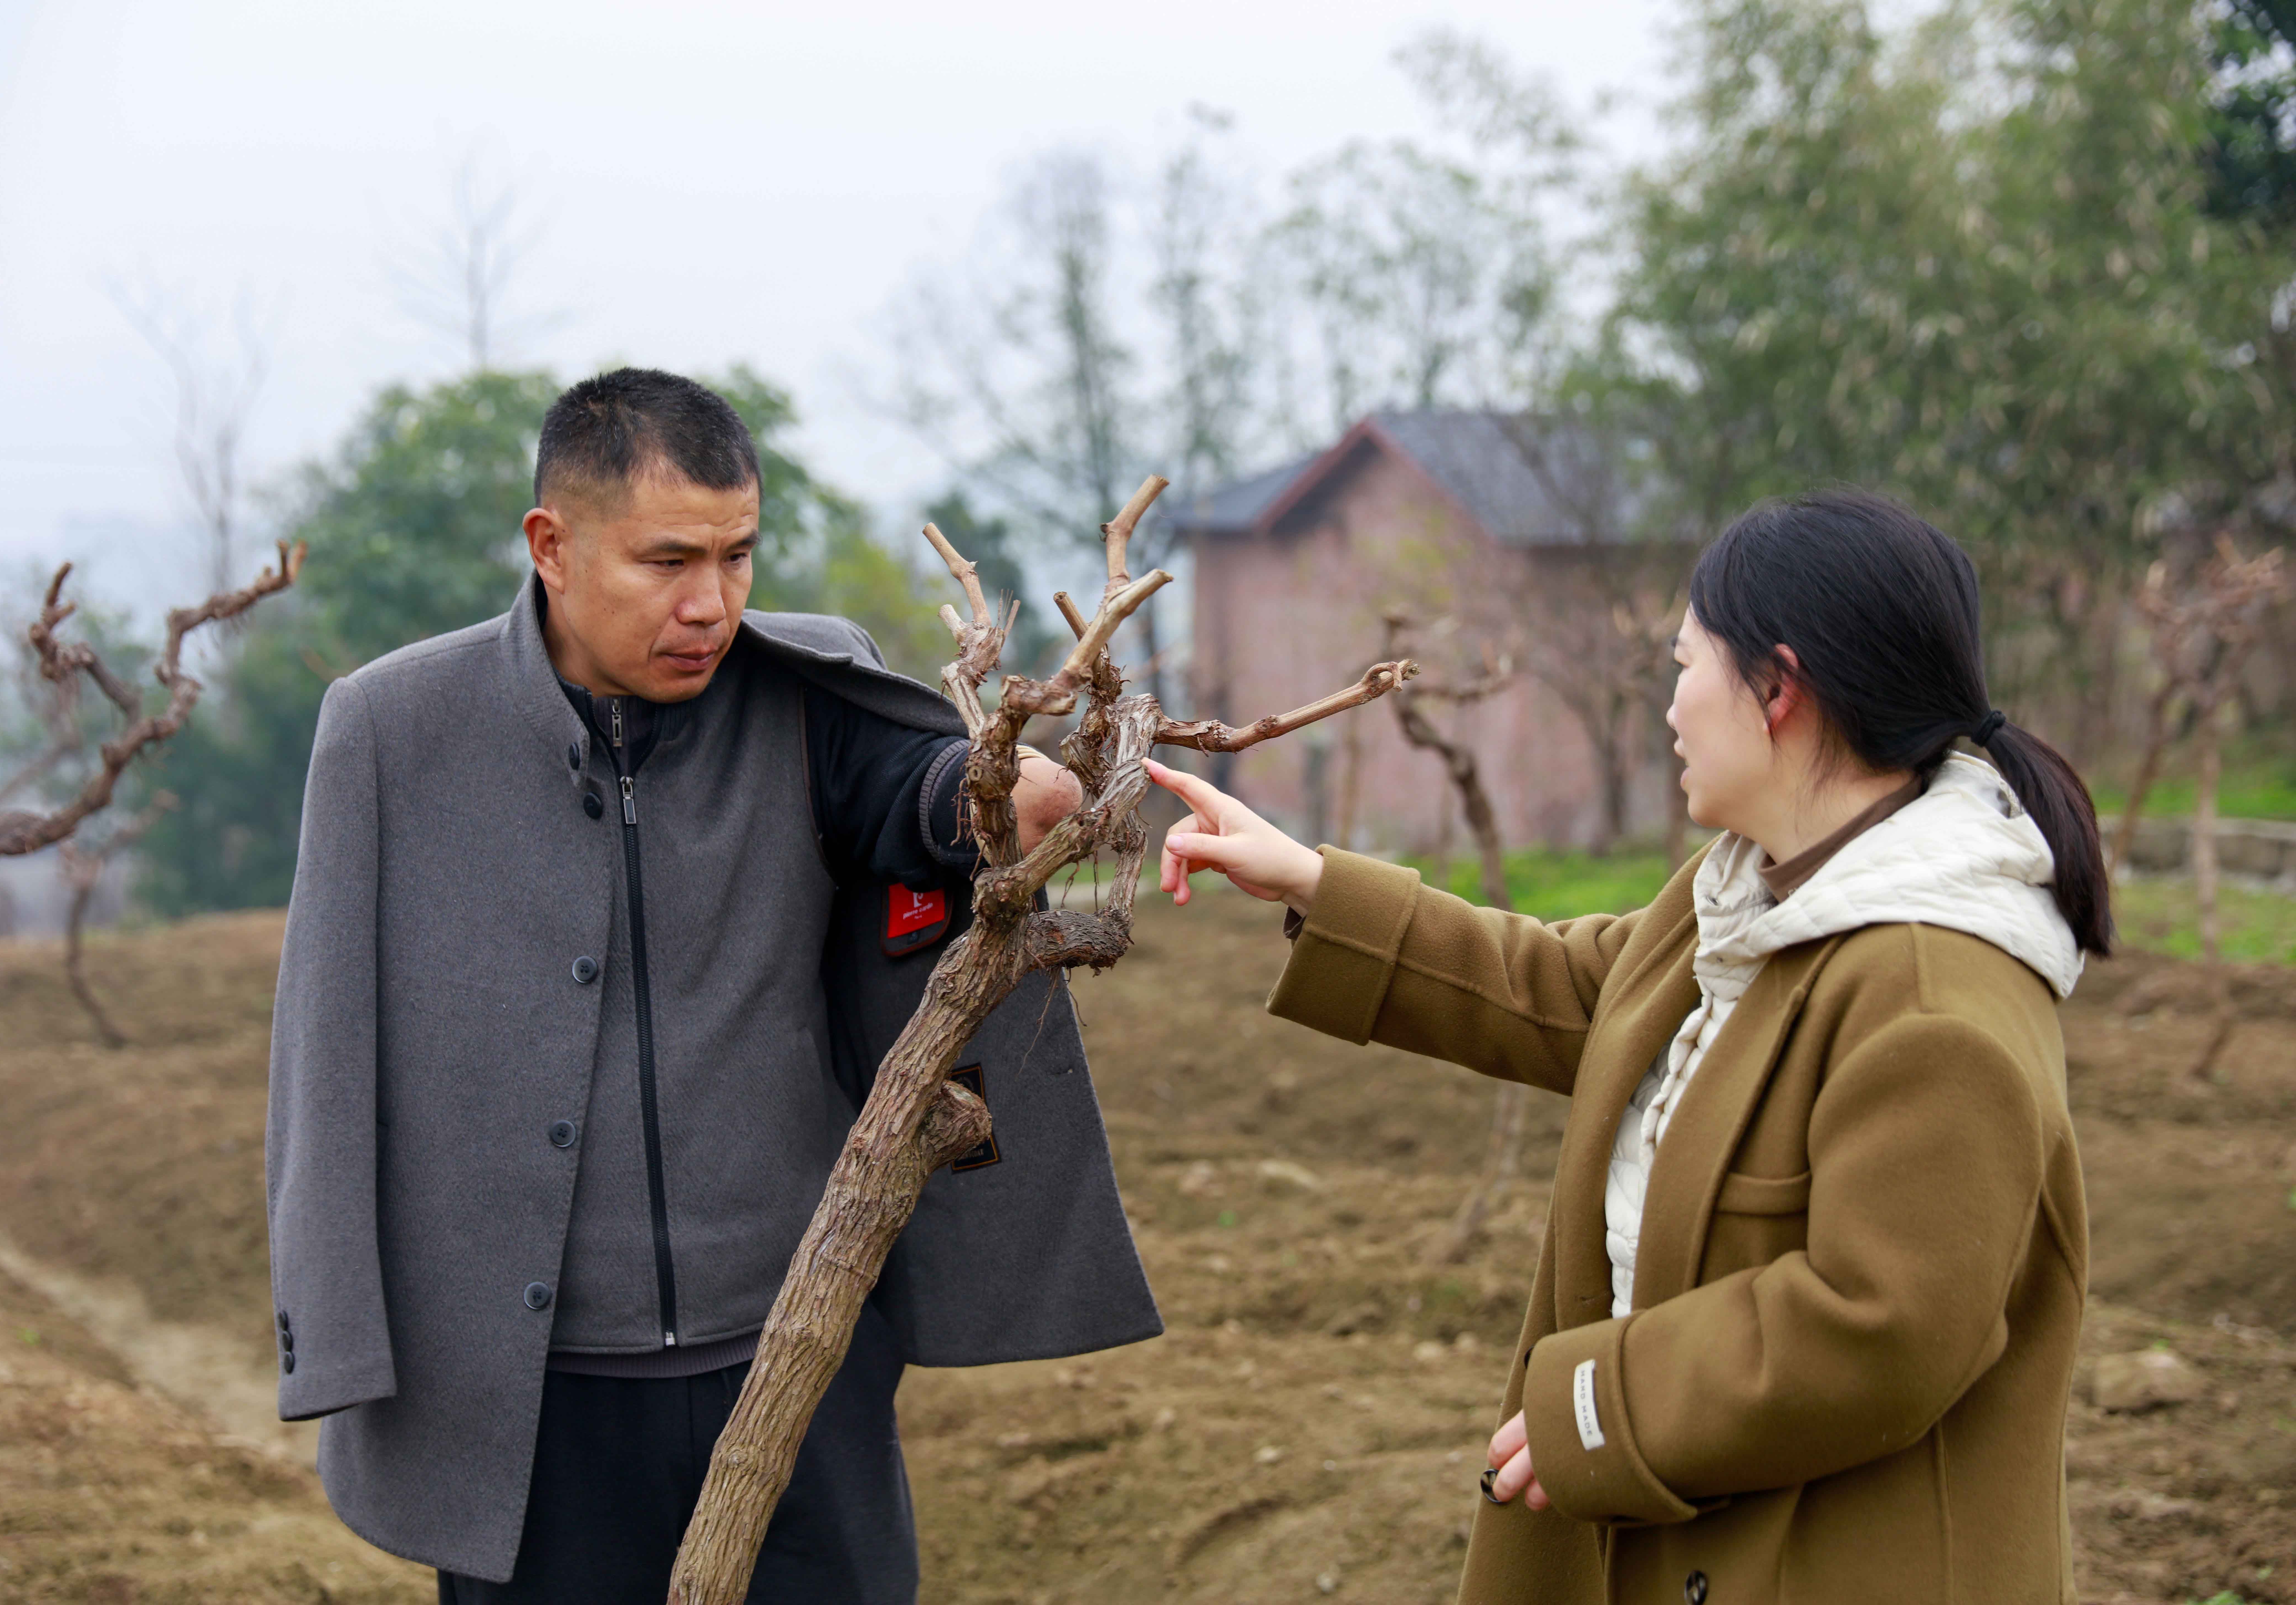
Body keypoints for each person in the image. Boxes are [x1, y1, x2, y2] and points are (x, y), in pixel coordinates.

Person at [266, 367, 1160, 1603]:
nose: (712, 603)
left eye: (739, 555)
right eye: (669, 560)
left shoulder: (803, 695)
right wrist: (338, 1342)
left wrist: (1004, 794)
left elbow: (916, 788)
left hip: (799, 1351)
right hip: (533, 1398)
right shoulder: (394, 730)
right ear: (552, 546)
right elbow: (326, 1047)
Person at [1149, 489, 2107, 1604]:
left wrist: (1601, 1408)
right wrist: (1316, 882)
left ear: (1778, 687)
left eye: (1684, 661)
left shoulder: (1934, 988)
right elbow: (1588, 990)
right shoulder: (1756, 892)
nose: (1669, 705)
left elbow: (1883, 1325)